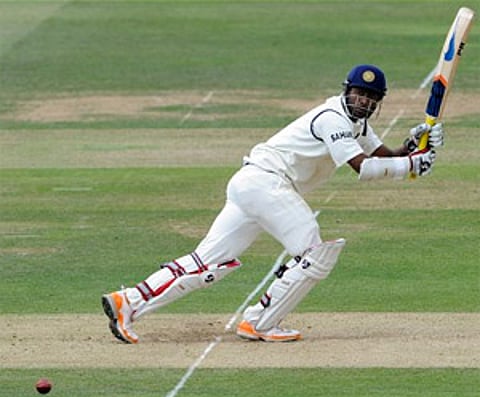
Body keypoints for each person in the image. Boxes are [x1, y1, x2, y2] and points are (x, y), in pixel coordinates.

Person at [102, 64, 444, 344]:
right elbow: (364, 168)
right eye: (360, 93)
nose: (364, 101)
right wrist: (412, 167)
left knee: (206, 262)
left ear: (378, 102)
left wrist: (416, 147)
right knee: (314, 253)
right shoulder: (332, 118)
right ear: (346, 91)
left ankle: (127, 302)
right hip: (268, 183)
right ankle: (260, 322)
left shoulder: (358, 124)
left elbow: (386, 156)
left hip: (251, 184)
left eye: (371, 97)